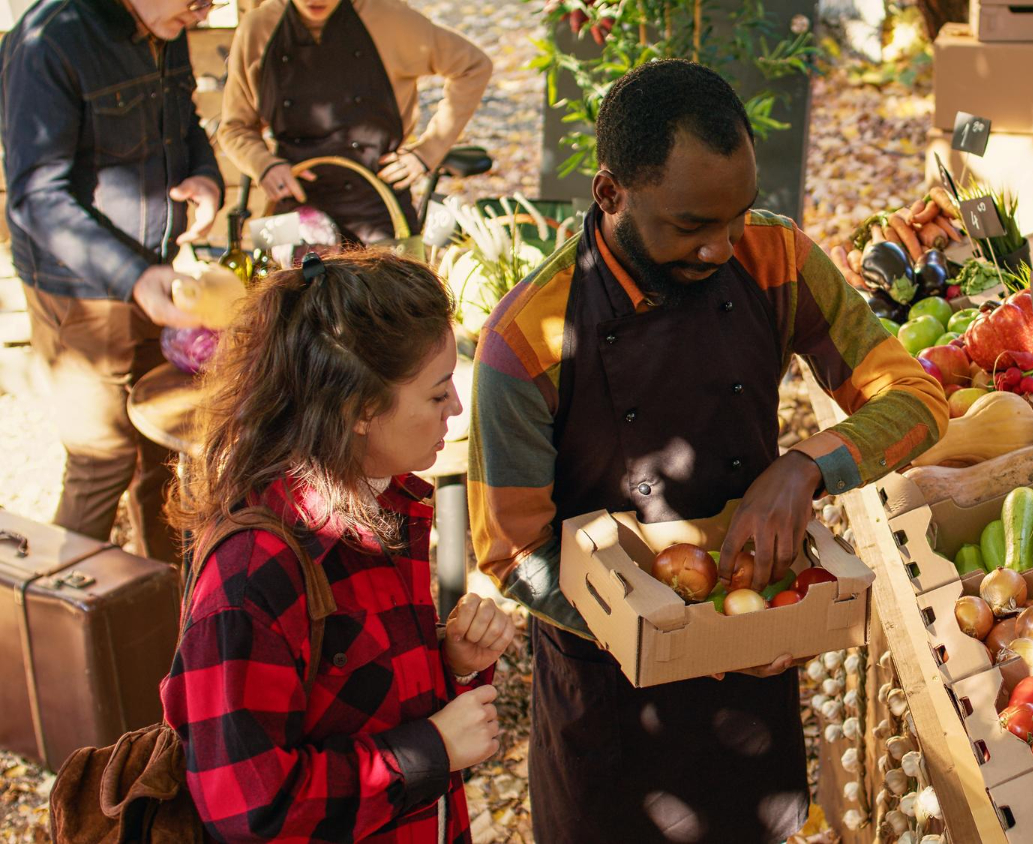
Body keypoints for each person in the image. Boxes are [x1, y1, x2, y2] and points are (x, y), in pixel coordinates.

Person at [468, 59, 949, 843]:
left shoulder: (776, 257)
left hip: (752, 667)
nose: (723, 247)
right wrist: (677, 632)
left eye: (738, 216)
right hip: (612, 696)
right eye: (692, 226)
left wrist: (807, 466)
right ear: (610, 193)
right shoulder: (525, 343)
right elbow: (511, 553)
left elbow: (918, 400)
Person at [160, 250, 514, 842]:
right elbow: (251, 811)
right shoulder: (252, 577)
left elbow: (347, 697)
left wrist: (449, 665)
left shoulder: (379, 499)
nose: (456, 406)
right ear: (358, 411)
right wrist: (429, 751)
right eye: (435, 394)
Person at [0, 0, 224, 562]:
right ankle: (59, 620)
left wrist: (206, 176)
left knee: (165, 452)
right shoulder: (49, 43)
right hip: (79, 291)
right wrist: (134, 277)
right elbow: (35, 197)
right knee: (102, 460)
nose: (205, 11)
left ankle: (162, 607)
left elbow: (187, 122)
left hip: (158, 275)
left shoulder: (164, 19)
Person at [218, 0, 492, 244]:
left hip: (378, 200)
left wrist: (427, 152)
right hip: (291, 201)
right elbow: (234, 127)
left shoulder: (391, 18)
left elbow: (474, 65)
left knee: (394, 297)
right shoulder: (257, 27)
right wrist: (264, 165)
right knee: (275, 294)